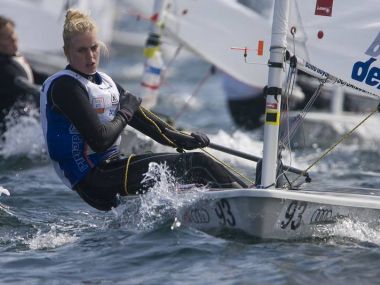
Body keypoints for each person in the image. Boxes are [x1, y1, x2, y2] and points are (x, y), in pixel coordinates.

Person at [40, 9, 247, 211]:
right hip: (93, 179)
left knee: (199, 168)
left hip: (112, 168)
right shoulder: (65, 87)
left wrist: (181, 139)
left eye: (94, 48)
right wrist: (125, 112)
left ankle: (251, 193)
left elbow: (149, 124)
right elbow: (100, 140)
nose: (91, 56)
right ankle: (250, 201)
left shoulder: (106, 83)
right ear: (67, 52)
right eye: (81, 50)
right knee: (198, 164)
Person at [0, 15, 49, 134]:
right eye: (6, 37)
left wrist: (62, 78)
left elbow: (36, 75)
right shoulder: (3, 66)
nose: (13, 38)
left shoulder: (15, 55)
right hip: (9, 132)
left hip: (27, 117)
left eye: (12, 33)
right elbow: (20, 83)